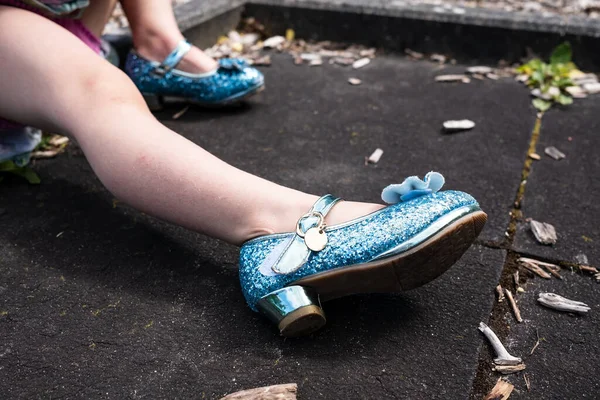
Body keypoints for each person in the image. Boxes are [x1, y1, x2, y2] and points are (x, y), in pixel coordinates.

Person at [0, 2, 487, 337]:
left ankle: (157, 50)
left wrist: (154, 34)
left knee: (97, 83)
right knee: (99, 97)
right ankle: (274, 226)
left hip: (59, 35)